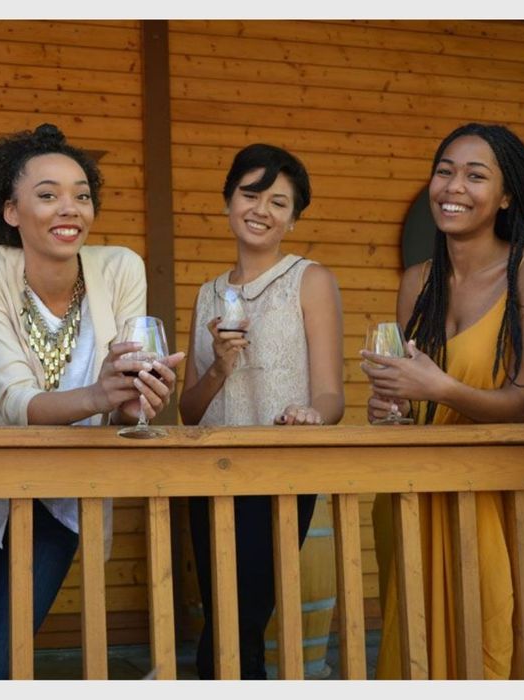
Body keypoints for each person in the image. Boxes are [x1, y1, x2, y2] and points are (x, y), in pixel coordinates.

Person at [0, 123, 184, 679]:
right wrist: (102, 391)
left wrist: (139, 396)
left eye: (82, 195)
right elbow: (14, 397)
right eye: (48, 194)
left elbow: (123, 397)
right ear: (12, 211)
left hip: (66, 491)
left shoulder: (120, 267)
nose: (71, 208)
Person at [361, 122, 524, 679]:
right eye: (445, 171)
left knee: (484, 644)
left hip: (482, 495)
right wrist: (394, 409)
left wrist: (437, 388)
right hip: (411, 492)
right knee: (410, 651)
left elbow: (517, 402)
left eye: (475, 176)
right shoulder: (418, 281)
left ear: (506, 195)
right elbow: (412, 397)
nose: (453, 187)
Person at [179, 143, 344, 679]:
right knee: (223, 616)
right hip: (209, 475)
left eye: (279, 202)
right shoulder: (206, 295)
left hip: (280, 472)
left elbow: (331, 396)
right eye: (251, 194)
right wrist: (220, 368)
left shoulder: (310, 279)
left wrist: (312, 413)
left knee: (244, 616)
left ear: (293, 219)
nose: (262, 209)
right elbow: (188, 410)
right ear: (228, 201)